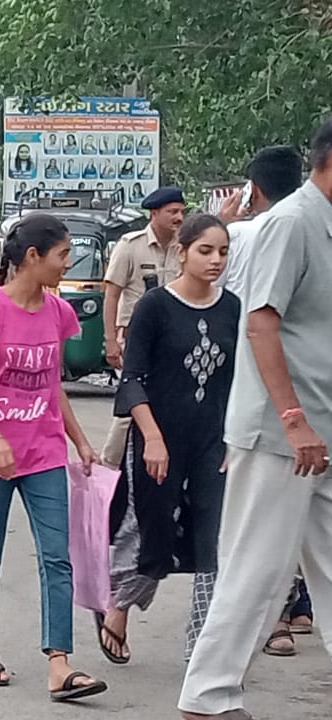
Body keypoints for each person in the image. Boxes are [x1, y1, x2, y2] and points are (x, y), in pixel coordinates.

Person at [178, 120, 332, 720]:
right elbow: (260, 323)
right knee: (260, 566)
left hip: (323, 427)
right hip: (281, 432)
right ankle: (208, 696)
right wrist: (293, 419)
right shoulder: (291, 225)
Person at [0, 212, 107, 701]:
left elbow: (51, 385)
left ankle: (59, 663)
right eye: (62, 255)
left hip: (44, 450)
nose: (68, 264)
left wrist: (80, 439)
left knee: (56, 556)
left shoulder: (59, 313)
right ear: (32, 257)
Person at [98, 215, 238, 666]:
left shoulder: (232, 307)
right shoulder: (155, 306)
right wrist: (152, 437)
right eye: (205, 250)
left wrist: (236, 438)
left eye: (222, 251)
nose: (215, 260)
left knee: (212, 539)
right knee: (152, 531)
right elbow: (133, 379)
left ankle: (204, 648)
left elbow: (239, 380)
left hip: (212, 445)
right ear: (183, 252)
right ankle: (118, 607)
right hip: (158, 440)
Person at [100, 186, 186, 467]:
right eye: (172, 212)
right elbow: (111, 294)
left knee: (162, 399)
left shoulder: (184, 246)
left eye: (182, 212)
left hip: (172, 337)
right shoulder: (130, 245)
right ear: (154, 213)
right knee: (132, 400)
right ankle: (110, 464)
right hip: (133, 336)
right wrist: (110, 340)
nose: (179, 218)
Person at [218, 146, 304, 292]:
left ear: (254, 190)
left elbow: (205, 287)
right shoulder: (317, 229)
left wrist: (221, 228)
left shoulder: (237, 234)